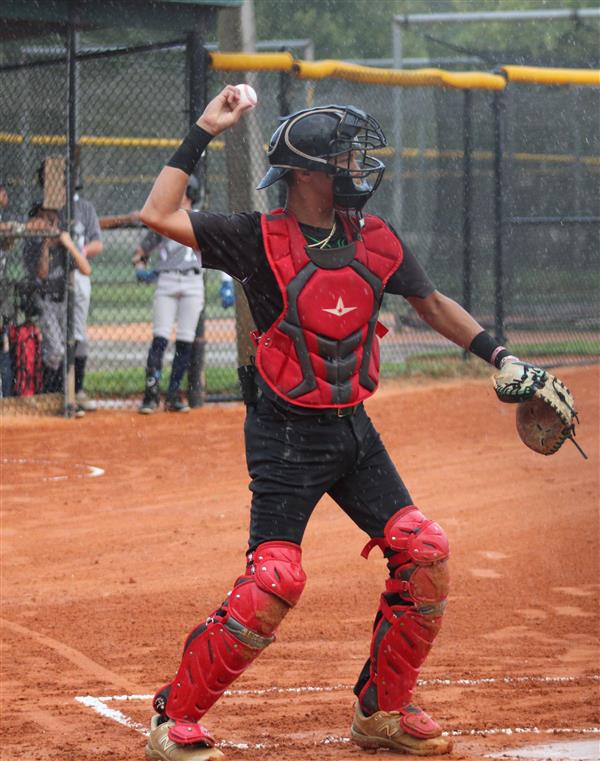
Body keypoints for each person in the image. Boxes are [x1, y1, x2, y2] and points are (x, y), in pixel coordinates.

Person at [138, 86, 536, 760]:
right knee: (274, 580)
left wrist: (500, 356)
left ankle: (381, 711)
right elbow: (158, 212)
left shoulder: (374, 239)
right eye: (344, 159)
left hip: (354, 432)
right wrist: (205, 126)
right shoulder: (256, 237)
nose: (357, 168)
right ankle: (173, 715)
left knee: (424, 550)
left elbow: (432, 302)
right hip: (285, 436)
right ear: (302, 174)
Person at [133, 177, 205, 413]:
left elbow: (220, 248)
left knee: (185, 341)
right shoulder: (165, 219)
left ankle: (173, 395)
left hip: (194, 282)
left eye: (181, 190)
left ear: (190, 193)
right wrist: (141, 269)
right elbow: (140, 252)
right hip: (167, 280)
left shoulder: (201, 219)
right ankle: (151, 395)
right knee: (160, 338)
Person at [23, 204, 91, 398]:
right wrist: (45, 245)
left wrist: (68, 244)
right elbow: (42, 274)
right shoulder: (33, 245)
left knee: (79, 343)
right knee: (55, 352)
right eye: (45, 219)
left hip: (65, 302)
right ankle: (50, 393)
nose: (50, 224)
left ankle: (72, 392)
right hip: (46, 302)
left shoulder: (65, 244)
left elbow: (86, 270)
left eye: (53, 219)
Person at [71, 187, 103, 413]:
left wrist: (78, 252)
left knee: (79, 332)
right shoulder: (44, 209)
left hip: (78, 273)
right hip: (52, 275)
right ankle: (61, 390)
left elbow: (97, 243)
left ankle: (77, 390)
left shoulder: (84, 208)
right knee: (57, 335)